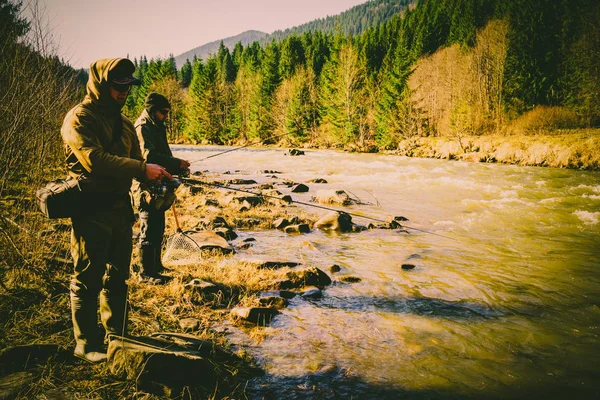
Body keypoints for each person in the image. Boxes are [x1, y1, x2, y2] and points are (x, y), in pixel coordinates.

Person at [61, 58, 172, 363]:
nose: (123, 92)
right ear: (100, 84)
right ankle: (85, 344)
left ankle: (117, 337)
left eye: (127, 86)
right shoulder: (79, 118)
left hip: (121, 212)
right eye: (117, 86)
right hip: (90, 211)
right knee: (86, 279)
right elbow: (93, 159)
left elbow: (139, 163)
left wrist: (159, 176)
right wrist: (142, 168)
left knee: (117, 277)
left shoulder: (125, 124)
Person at [134, 92, 190, 284]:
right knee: (148, 227)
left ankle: (155, 267)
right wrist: (177, 164)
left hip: (159, 184)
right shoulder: (143, 127)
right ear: (152, 110)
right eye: (163, 112)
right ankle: (145, 273)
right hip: (145, 186)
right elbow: (148, 158)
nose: (166, 115)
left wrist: (176, 168)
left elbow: (163, 154)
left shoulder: (157, 126)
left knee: (158, 226)